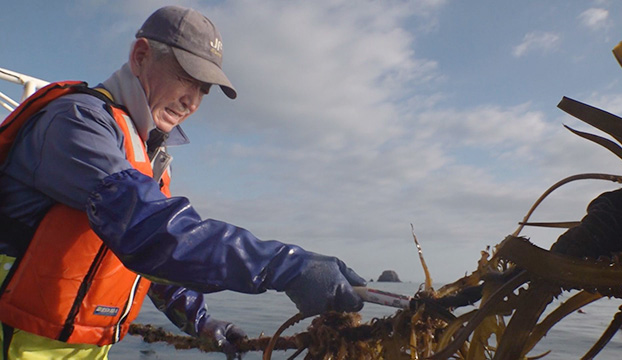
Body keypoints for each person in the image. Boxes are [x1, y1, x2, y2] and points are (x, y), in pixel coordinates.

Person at [0, 5, 366, 359]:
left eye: (204, 88)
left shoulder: (144, 154)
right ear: (140, 55)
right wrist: (286, 266)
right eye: (186, 77)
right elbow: (147, 230)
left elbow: (148, 264)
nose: (193, 100)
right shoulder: (76, 123)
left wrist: (200, 320)